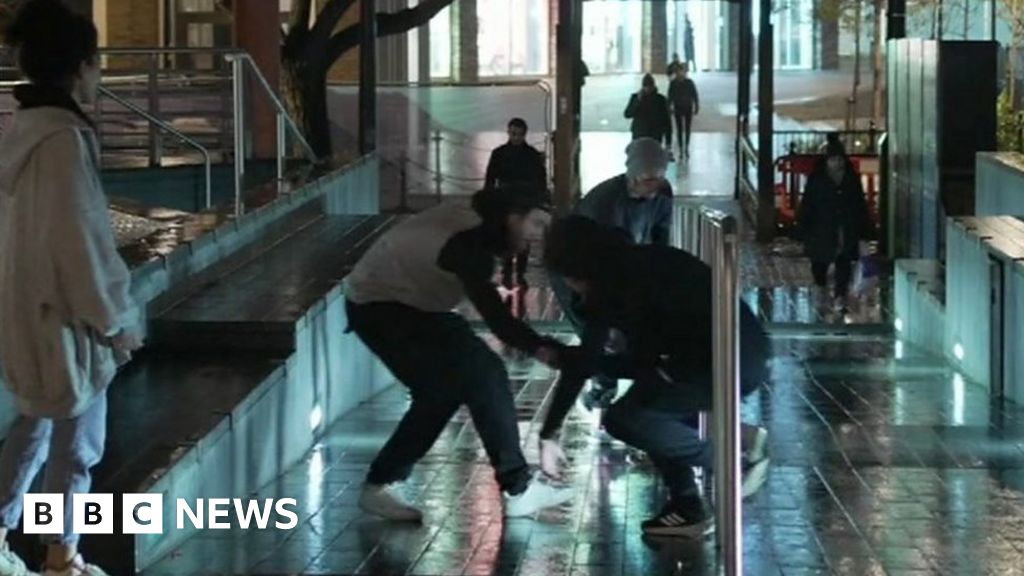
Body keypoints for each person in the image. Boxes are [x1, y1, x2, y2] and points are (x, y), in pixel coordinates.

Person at [0, 2, 144, 575]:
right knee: (78, 441)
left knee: (35, 423)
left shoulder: (22, 132)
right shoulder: (63, 140)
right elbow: (81, 241)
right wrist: (115, 321)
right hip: (66, 319)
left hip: (25, 309)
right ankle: (62, 555)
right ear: (84, 65)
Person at [344, 186, 573, 522]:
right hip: (380, 306)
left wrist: (542, 346)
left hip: (417, 305)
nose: (538, 236)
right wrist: (543, 348)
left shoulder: (483, 221)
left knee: (441, 393)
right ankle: (519, 488)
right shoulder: (467, 245)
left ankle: (379, 483)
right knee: (483, 373)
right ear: (512, 218)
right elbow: (497, 319)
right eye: (536, 224)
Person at [539, 216, 771, 537]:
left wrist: (550, 431)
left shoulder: (611, 286)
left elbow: (608, 362)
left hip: (720, 361)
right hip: (739, 351)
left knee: (627, 418)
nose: (568, 287)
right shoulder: (642, 262)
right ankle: (688, 505)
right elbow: (641, 363)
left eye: (566, 278)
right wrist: (587, 359)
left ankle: (732, 462)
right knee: (646, 405)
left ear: (576, 269)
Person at [550, 138, 673, 411]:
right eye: (649, 180)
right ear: (634, 175)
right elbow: (606, 261)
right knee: (599, 331)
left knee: (626, 329)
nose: (654, 187)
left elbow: (659, 237)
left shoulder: (662, 194)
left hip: (620, 264)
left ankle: (618, 384)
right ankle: (602, 389)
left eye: (659, 178)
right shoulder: (605, 203)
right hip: (578, 269)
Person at [796, 136, 869, 313]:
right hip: (821, 228)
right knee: (819, 263)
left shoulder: (851, 179)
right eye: (833, 159)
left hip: (844, 227)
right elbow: (808, 204)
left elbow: (859, 204)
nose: (837, 163)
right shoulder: (817, 180)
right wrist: (803, 227)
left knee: (843, 261)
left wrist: (863, 229)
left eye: (839, 159)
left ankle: (839, 296)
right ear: (826, 161)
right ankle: (822, 288)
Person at [484, 118, 549, 289]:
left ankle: (514, 273)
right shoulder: (531, 155)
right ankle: (514, 274)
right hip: (517, 199)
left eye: (518, 134)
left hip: (516, 199)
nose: (516, 137)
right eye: (514, 134)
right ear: (509, 132)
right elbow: (490, 178)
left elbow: (491, 178)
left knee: (516, 236)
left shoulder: (500, 153)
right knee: (517, 236)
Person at [624, 74, 672, 153]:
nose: (648, 89)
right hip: (639, 135)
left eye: (649, 86)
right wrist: (637, 101)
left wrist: (668, 142)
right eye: (646, 86)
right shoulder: (636, 97)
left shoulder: (660, 100)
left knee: (652, 160)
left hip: (654, 136)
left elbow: (666, 121)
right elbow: (627, 114)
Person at [667, 66, 700, 158]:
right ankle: (681, 148)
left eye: (682, 72)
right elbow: (670, 96)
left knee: (687, 128)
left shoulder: (689, 83)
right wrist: (669, 107)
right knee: (679, 129)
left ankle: (686, 147)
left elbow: (695, 95)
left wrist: (696, 106)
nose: (680, 74)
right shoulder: (673, 84)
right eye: (678, 72)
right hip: (678, 107)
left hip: (687, 107)